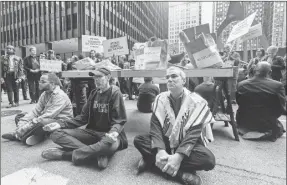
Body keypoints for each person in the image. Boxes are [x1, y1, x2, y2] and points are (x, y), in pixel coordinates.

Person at [134, 66, 215, 185]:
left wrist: (178, 157)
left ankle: (151, 163)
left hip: (186, 145)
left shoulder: (197, 101)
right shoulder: (160, 99)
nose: (170, 80)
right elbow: (155, 128)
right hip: (166, 142)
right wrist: (160, 151)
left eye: (174, 76)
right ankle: (180, 174)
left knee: (208, 160)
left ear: (183, 80)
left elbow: (193, 135)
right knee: (139, 140)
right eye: (167, 77)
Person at [41, 67, 128, 170]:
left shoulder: (115, 93)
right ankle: (98, 155)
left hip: (109, 135)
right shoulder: (93, 93)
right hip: (92, 132)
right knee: (55, 134)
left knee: (109, 145)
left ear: (108, 77)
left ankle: (65, 155)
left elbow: (120, 120)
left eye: (99, 77)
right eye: (95, 77)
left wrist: (114, 133)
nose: (96, 80)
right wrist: (60, 124)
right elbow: (82, 118)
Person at [1, 73, 73, 146]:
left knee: (41, 122)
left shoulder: (60, 96)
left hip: (60, 122)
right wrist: (23, 123)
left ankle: (19, 136)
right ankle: (31, 134)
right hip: (45, 118)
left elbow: (49, 116)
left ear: (52, 84)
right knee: (19, 117)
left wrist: (24, 128)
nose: (39, 83)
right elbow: (35, 111)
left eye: (43, 82)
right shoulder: (44, 94)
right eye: (40, 81)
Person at [236, 62, 286, 141]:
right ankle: (267, 132)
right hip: (266, 121)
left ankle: (248, 130)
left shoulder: (241, 84)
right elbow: (281, 107)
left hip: (244, 119)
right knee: (279, 127)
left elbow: (239, 102)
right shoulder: (278, 85)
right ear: (270, 72)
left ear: (255, 70)